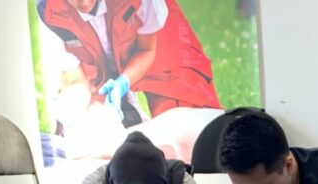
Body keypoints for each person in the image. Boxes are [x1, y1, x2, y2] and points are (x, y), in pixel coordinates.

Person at [37, 0, 221, 126]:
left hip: (161, 44)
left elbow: (147, 50)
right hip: (98, 55)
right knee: (94, 125)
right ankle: (130, 116)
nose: (84, 2)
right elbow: (76, 76)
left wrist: (124, 81)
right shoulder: (51, 10)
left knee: (182, 127)